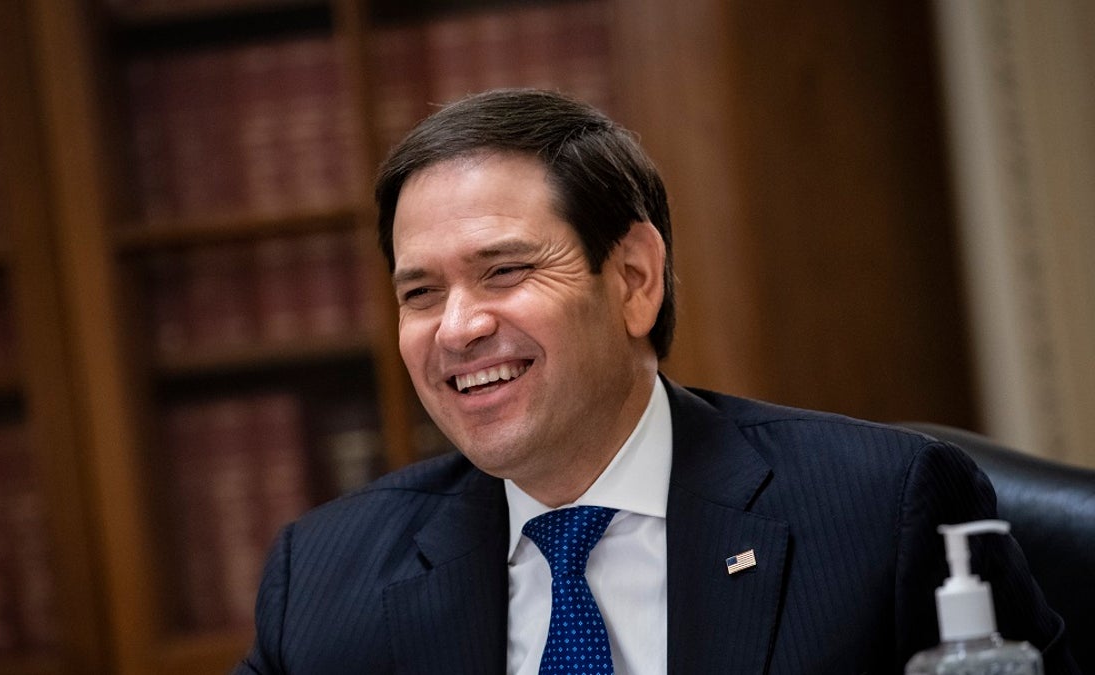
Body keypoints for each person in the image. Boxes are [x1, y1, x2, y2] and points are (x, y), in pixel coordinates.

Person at [234, 88, 1076, 674]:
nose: (457, 327)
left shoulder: (881, 514)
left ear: (635, 279)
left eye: (504, 271)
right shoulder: (325, 579)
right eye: (421, 292)